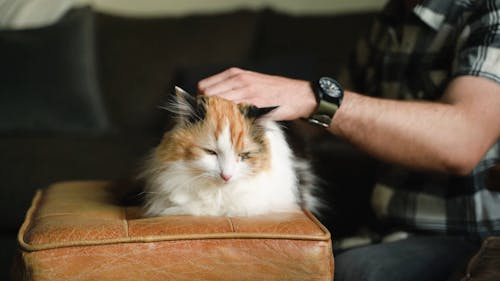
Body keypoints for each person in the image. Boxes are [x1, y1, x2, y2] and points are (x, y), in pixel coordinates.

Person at [198, 0, 500, 280]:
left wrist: (311, 97)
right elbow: (325, 124)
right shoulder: (393, 16)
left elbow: (462, 142)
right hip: (381, 230)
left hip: (469, 237)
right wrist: (233, 131)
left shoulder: (490, 11)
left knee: (351, 270)